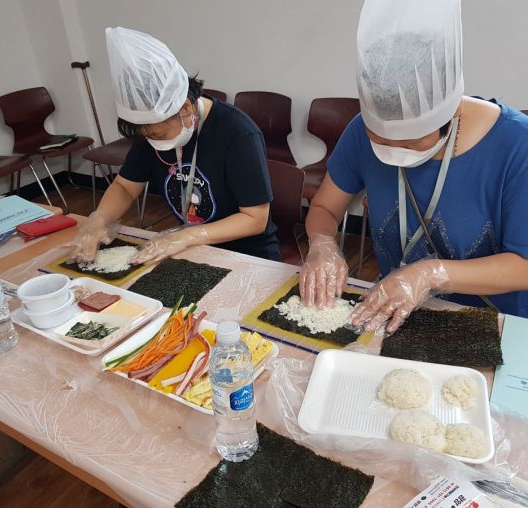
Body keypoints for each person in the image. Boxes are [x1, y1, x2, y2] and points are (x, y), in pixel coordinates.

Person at [301, 0, 528, 333]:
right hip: (397, 316)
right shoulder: (359, 133)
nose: (393, 151)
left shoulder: (515, 145)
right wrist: (322, 244)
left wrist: (429, 273)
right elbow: (323, 207)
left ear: (449, 111)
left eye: (410, 141)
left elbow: (522, 266)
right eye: (379, 138)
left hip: (493, 326)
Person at [68, 27, 280, 264]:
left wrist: (189, 235)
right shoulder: (151, 129)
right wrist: (98, 220)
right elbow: (126, 186)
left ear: (186, 108)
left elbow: (255, 218)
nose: (154, 142)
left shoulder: (238, 133)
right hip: (190, 249)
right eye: (146, 136)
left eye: (157, 134)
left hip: (246, 254)